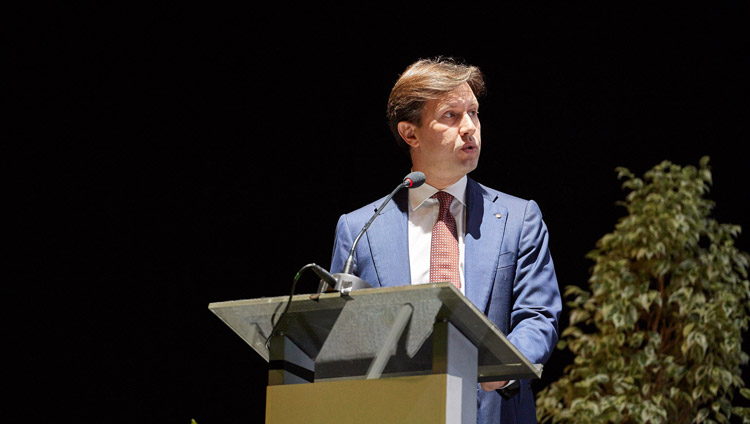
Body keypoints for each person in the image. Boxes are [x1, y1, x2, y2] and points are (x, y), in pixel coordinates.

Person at [329, 57, 562, 423]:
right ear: (411, 133)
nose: (470, 127)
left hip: (493, 410)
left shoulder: (519, 219)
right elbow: (342, 337)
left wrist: (501, 365)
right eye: (451, 116)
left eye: (474, 112)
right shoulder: (361, 229)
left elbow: (539, 316)